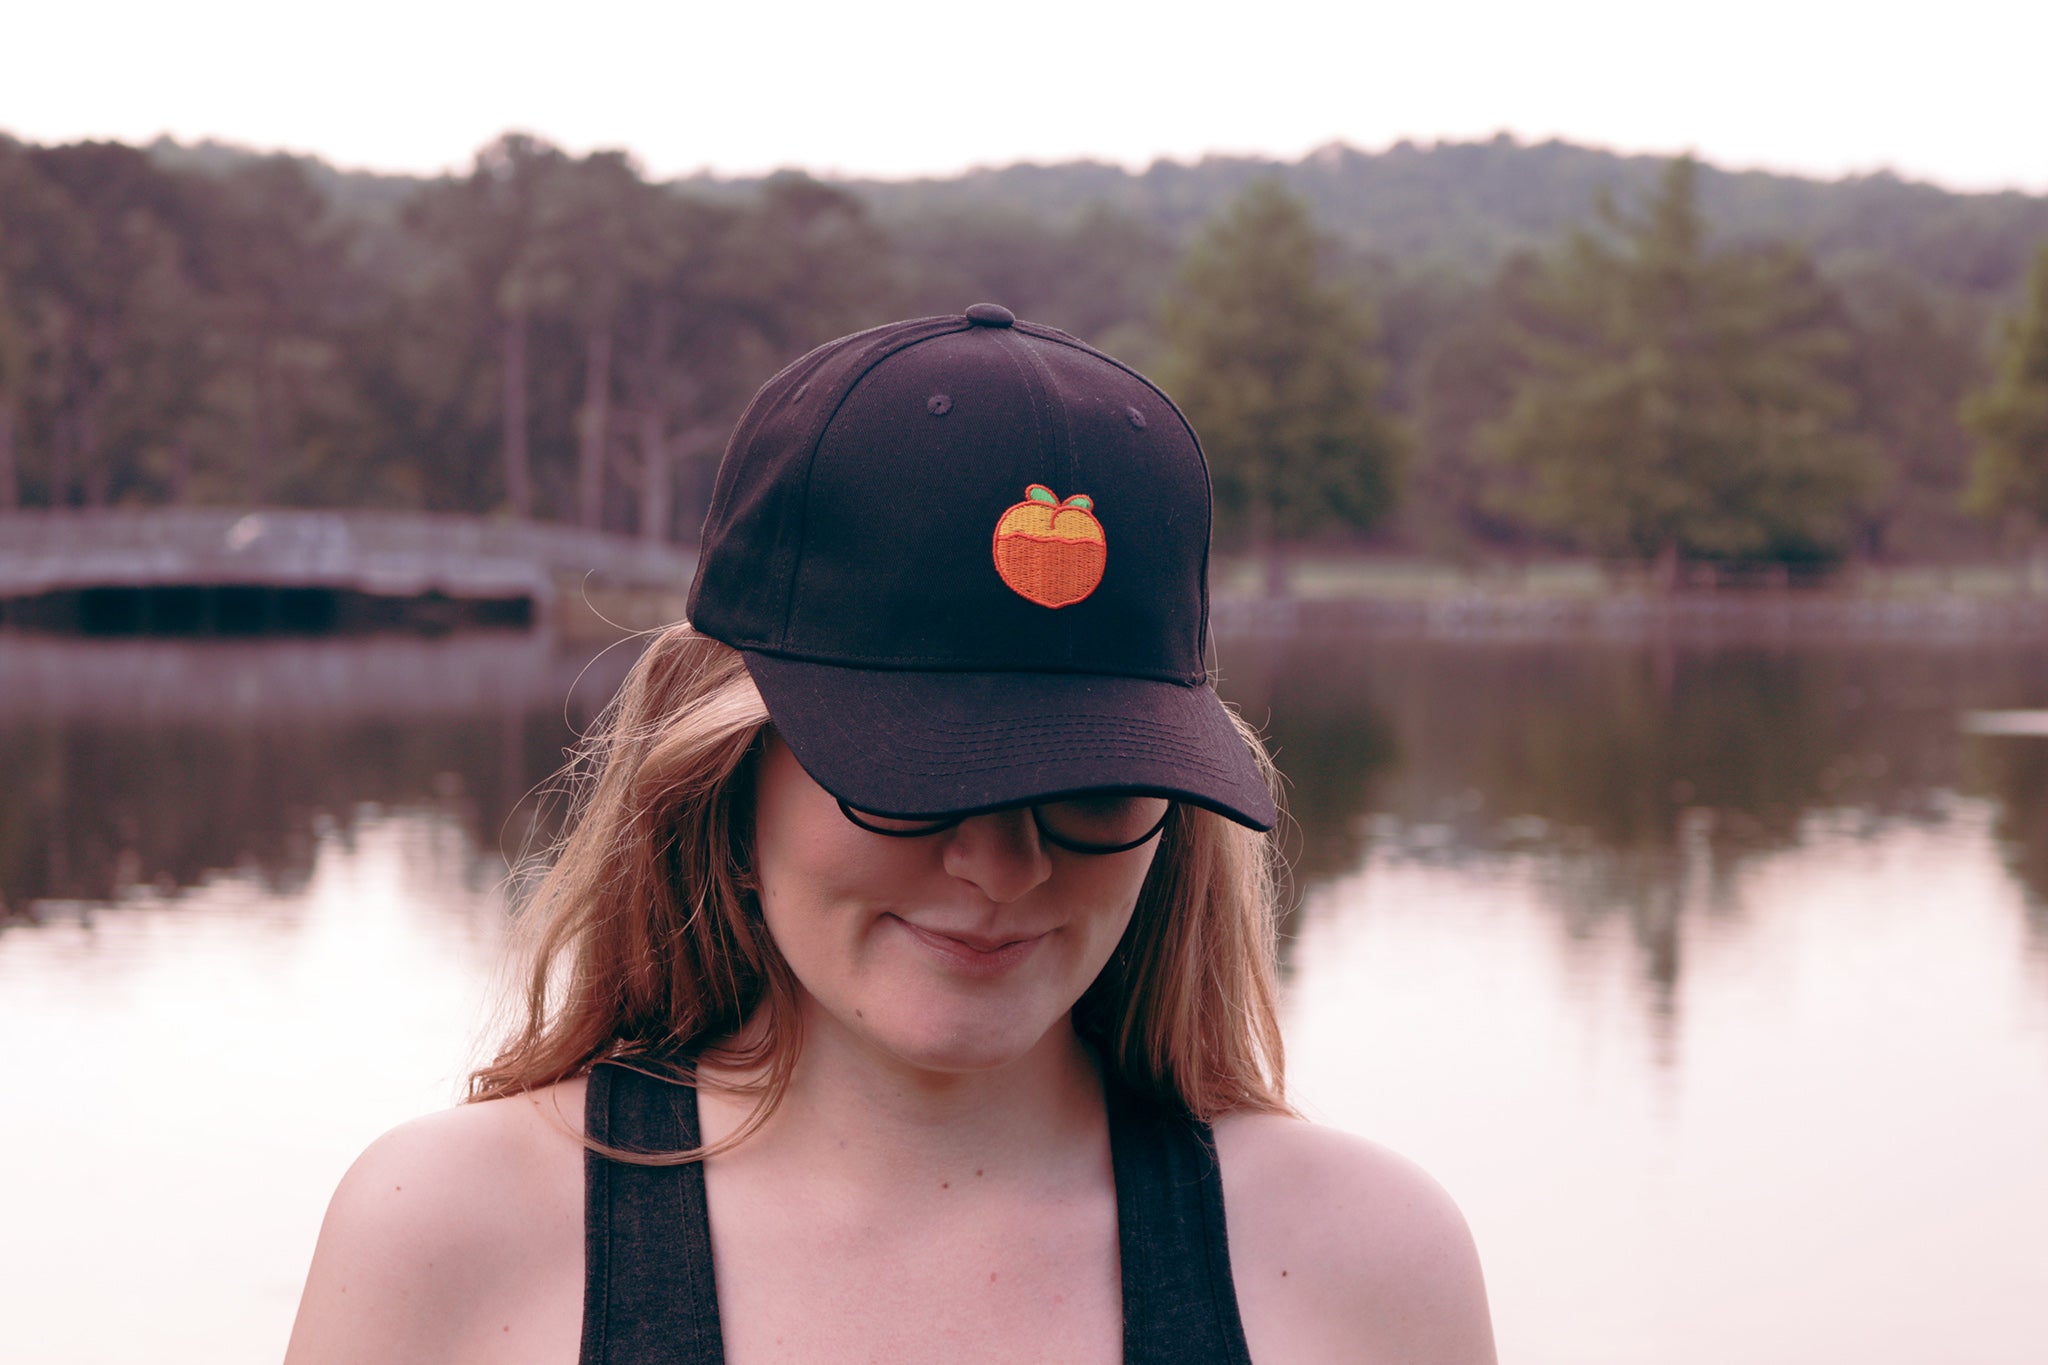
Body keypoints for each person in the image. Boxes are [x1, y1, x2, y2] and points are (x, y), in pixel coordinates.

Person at [285, 304, 1496, 1364]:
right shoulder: (448, 1237)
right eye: (914, 782)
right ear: (722, 773)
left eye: (1093, 788)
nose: (1001, 866)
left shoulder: (1363, 1261)